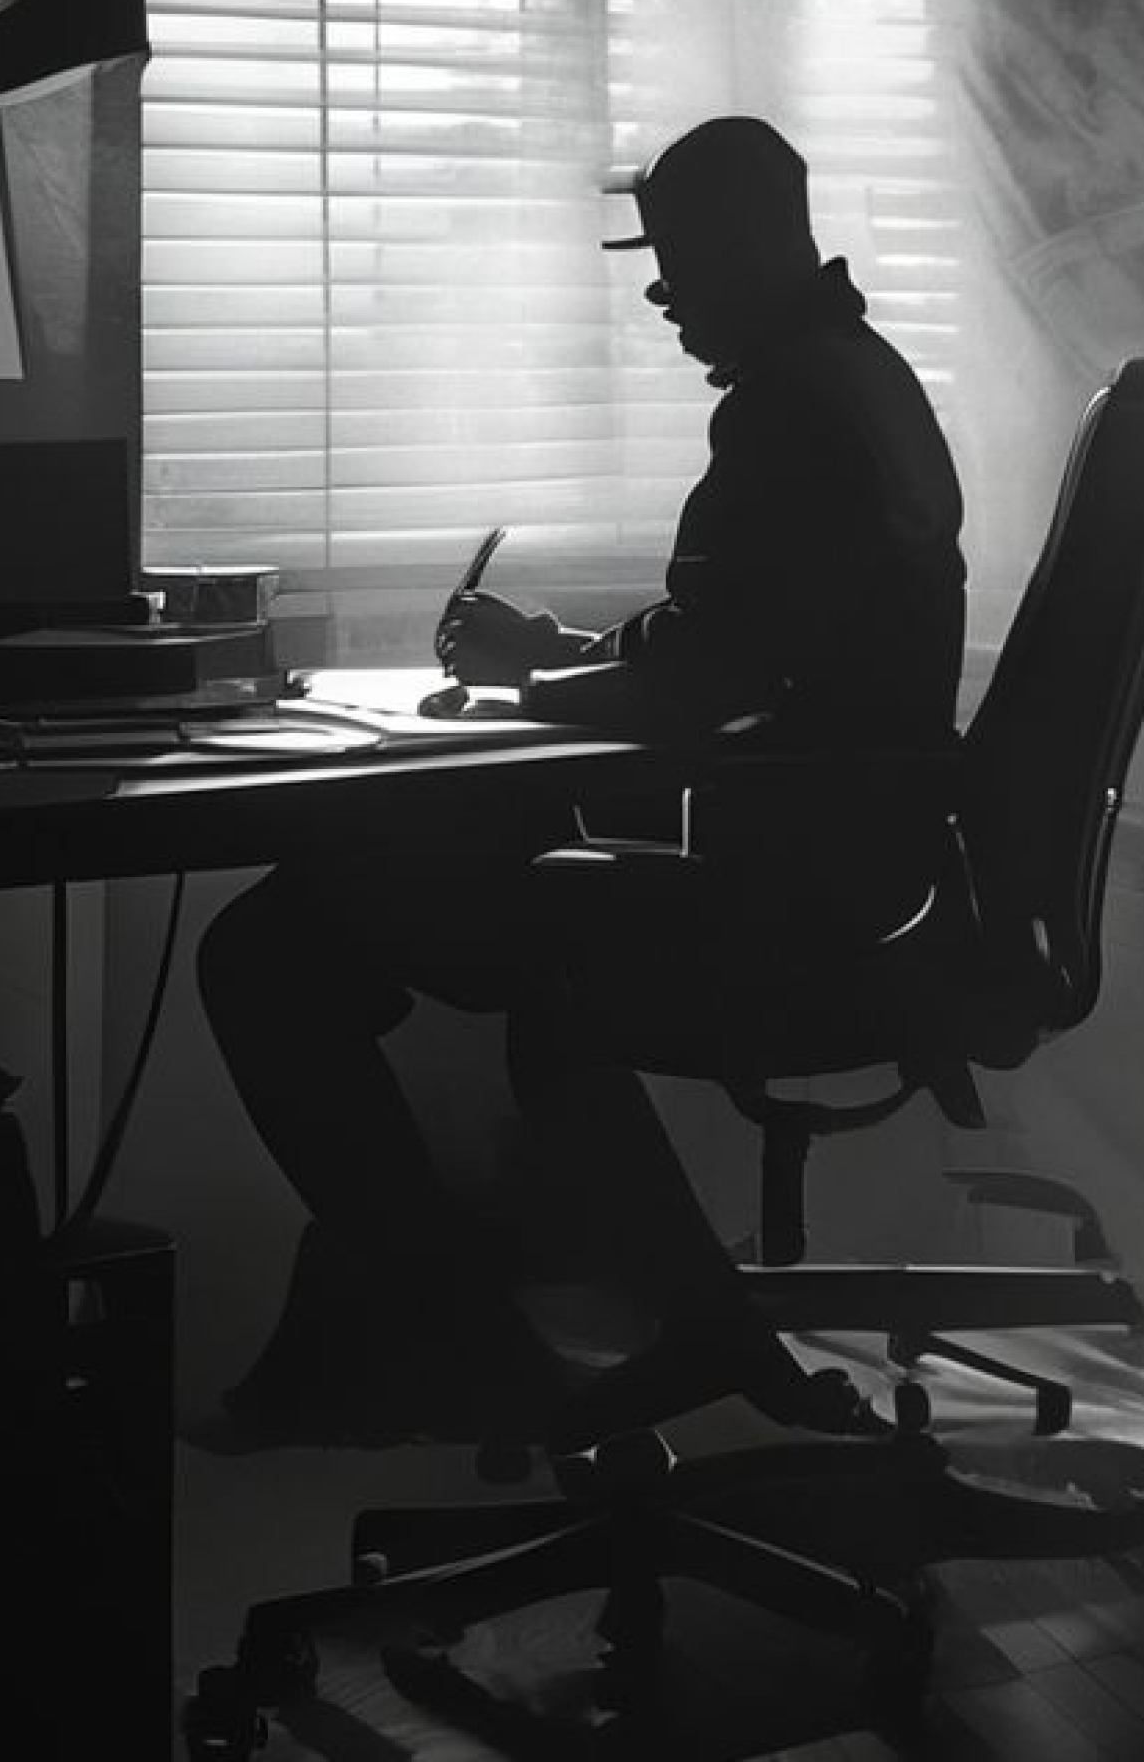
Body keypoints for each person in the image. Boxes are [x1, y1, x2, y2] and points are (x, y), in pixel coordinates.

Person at [193, 115, 966, 1443]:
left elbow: (704, 680)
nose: (662, 292)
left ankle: (462, 1333)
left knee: (272, 950)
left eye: (681, 258)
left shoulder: (791, 409)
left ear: (756, 241)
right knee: (346, 920)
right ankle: (559, 1320)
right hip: (840, 851)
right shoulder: (852, 379)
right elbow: (738, 641)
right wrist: (555, 655)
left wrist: (529, 681)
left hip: (787, 883)